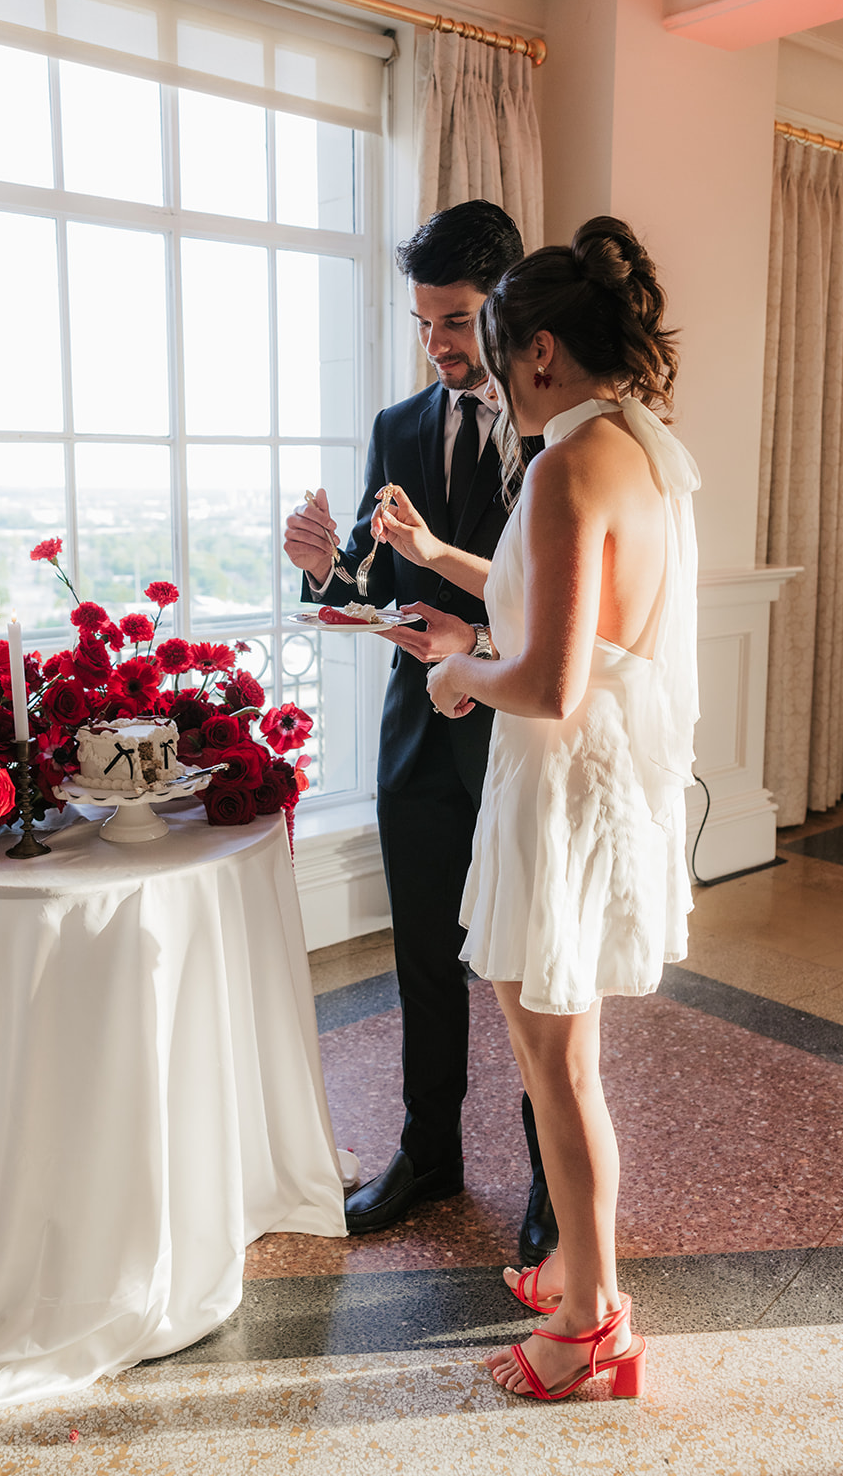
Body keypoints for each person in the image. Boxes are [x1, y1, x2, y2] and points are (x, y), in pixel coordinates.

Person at [376, 217, 699, 1400]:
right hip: (597, 779)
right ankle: (575, 1264)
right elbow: (563, 604)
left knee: (556, 1067)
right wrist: (437, 559)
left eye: (501, 352)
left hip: (554, 790)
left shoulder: (563, 463)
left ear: (543, 349)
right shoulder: (636, 449)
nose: (496, 379)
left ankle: (591, 1324)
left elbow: (547, 680)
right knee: (572, 1058)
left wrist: (458, 673)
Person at [283, 201, 555, 1258]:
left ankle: (547, 1180)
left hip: (519, 736)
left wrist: (469, 631)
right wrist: (323, 570)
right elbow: (370, 581)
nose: (438, 343)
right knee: (423, 965)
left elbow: (559, 605)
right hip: (417, 747)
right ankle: (427, 1152)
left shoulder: (551, 433)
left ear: (504, 309)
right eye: (423, 323)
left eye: (455, 320)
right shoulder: (397, 426)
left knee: (529, 968)